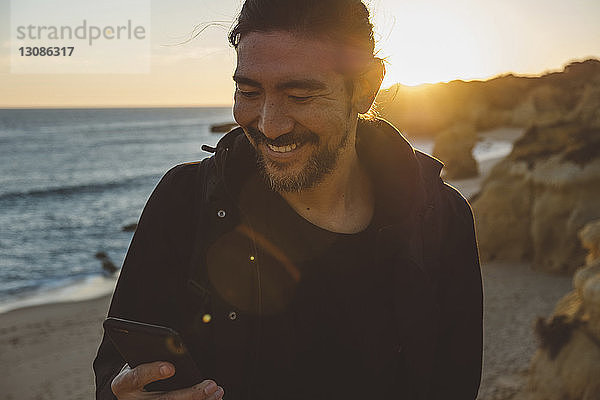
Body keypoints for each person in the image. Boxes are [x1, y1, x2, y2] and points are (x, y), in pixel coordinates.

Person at [94, 0, 483, 399]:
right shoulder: (183, 202)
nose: (270, 125)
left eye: (300, 95)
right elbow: (114, 373)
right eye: (248, 91)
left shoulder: (442, 218)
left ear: (365, 87)